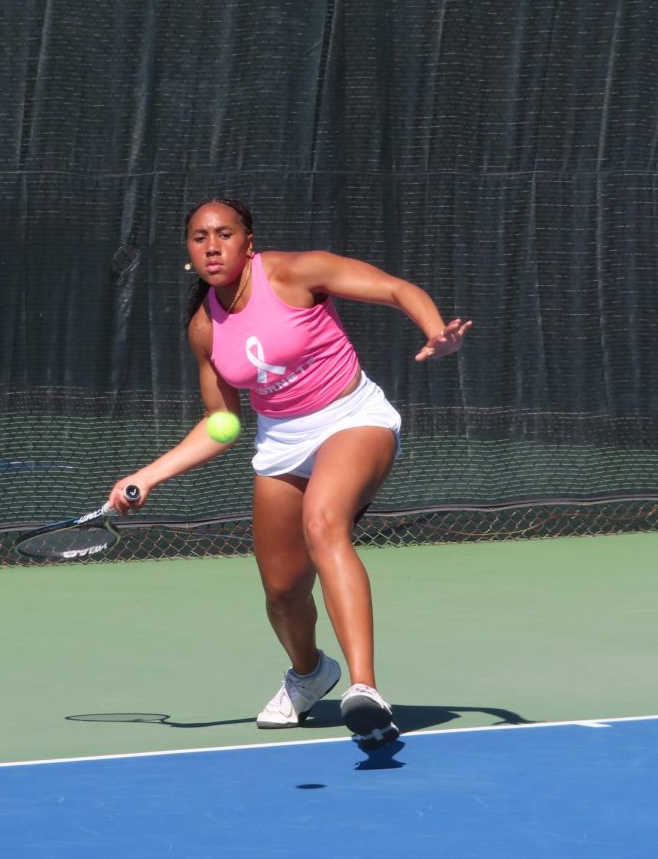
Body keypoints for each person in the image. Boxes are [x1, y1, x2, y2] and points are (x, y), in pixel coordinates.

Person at [108, 198, 471, 748]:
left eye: (224, 234)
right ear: (189, 250)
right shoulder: (204, 327)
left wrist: (435, 331)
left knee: (324, 523)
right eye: (199, 237)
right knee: (281, 590)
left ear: (247, 242)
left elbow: (398, 289)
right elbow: (222, 423)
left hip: (352, 417)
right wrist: (150, 475)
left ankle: (365, 689)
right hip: (280, 441)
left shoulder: (297, 273)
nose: (212, 245)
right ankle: (309, 674)